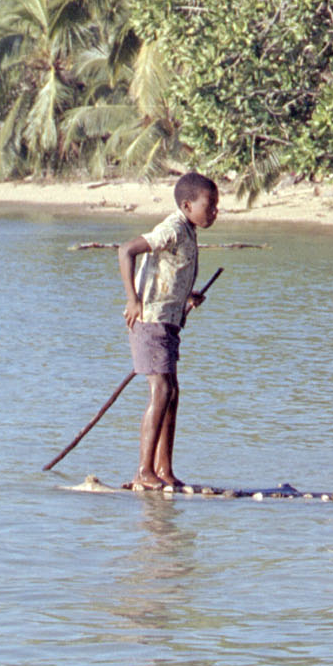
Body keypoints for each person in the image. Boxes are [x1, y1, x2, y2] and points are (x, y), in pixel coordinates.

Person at [117, 171, 220, 489]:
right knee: (160, 391)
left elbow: (170, 272)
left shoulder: (188, 231)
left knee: (172, 394)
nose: (215, 212)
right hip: (150, 322)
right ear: (187, 206)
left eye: (216, 206)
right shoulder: (173, 228)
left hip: (169, 323)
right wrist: (133, 301)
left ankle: (163, 469)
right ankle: (143, 471)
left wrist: (188, 297)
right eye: (210, 206)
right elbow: (127, 250)